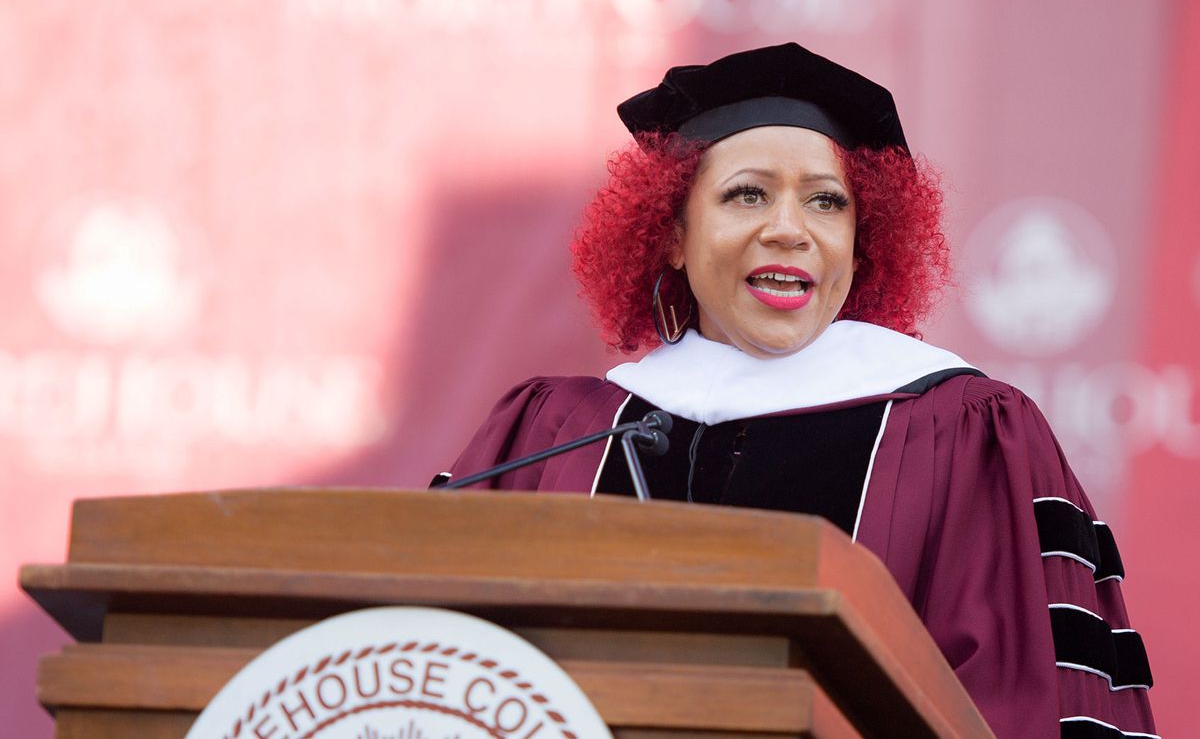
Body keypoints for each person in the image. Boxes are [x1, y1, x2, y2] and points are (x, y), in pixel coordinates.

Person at [445, 43, 1156, 739]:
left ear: (861, 239)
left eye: (826, 202)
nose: (789, 230)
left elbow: (1033, 703)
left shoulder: (966, 433)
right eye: (746, 194)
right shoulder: (554, 432)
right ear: (671, 236)